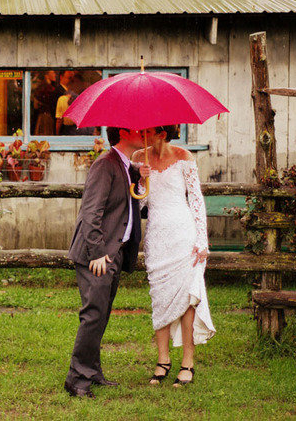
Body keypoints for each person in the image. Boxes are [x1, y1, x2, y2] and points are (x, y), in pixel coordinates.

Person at [64, 127, 150, 398]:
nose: (144, 132)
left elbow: (127, 205)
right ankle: (77, 380)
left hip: (114, 253)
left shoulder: (125, 166)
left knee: (102, 315)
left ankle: (92, 371)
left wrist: (139, 178)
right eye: (139, 129)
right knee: (93, 316)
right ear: (123, 132)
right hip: (97, 255)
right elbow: (91, 213)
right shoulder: (105, 165)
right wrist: (97, 252)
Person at [132, 125, 215, 387]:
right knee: (160, 296)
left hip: (184, 234)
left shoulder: (184, 157)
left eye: (151, 129)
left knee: (187, 298)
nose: (145, 133)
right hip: (157, 235)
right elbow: (139, 203)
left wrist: (202, 239)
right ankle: (162, 360)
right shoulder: (138, 158)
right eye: (143, 129)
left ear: (164, 132)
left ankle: (187, 362)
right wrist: (140, 179)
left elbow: (196, 200)